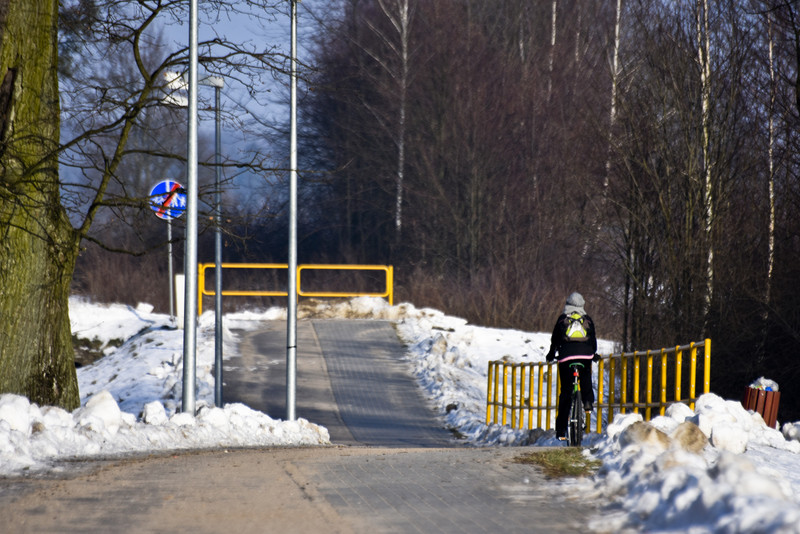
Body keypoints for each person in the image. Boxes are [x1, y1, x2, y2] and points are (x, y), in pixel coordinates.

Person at [545, 292, 600, 440]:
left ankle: (561, 430)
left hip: (566, 357)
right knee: (586, 378)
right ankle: (587, 402)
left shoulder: (562, 319)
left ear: (567, 304)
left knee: (566, 392)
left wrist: (551, 355)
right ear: (582, 305)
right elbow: (593, 340)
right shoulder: (587, 319)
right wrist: (593, 353)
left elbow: (555, 340)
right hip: (585, 355)